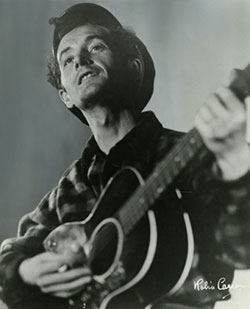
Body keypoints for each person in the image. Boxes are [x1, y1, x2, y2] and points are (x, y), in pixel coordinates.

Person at [0, 3, 250, 309]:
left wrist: (237, 160)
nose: (80, 60)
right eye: (66, 59)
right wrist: (24, 272)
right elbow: (10, 256)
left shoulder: (193, 153)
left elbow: (241, 252)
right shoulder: (69, 189)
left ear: (132, 65)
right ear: (65, 95)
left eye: (96, 46)